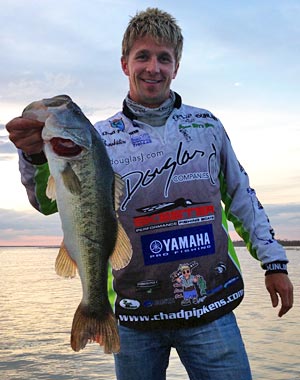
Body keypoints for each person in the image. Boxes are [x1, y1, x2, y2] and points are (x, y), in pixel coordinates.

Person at [6, 7, 293, 380]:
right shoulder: (96, 138)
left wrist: (274, 263)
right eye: (142, 56)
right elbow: (45, 203)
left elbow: (241, 197)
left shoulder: (207, 126)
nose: (152, 68)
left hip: (211, 307)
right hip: (133, 316)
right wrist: (33, 156)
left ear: (176, 66)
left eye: (164, 58)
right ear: (125, 63)